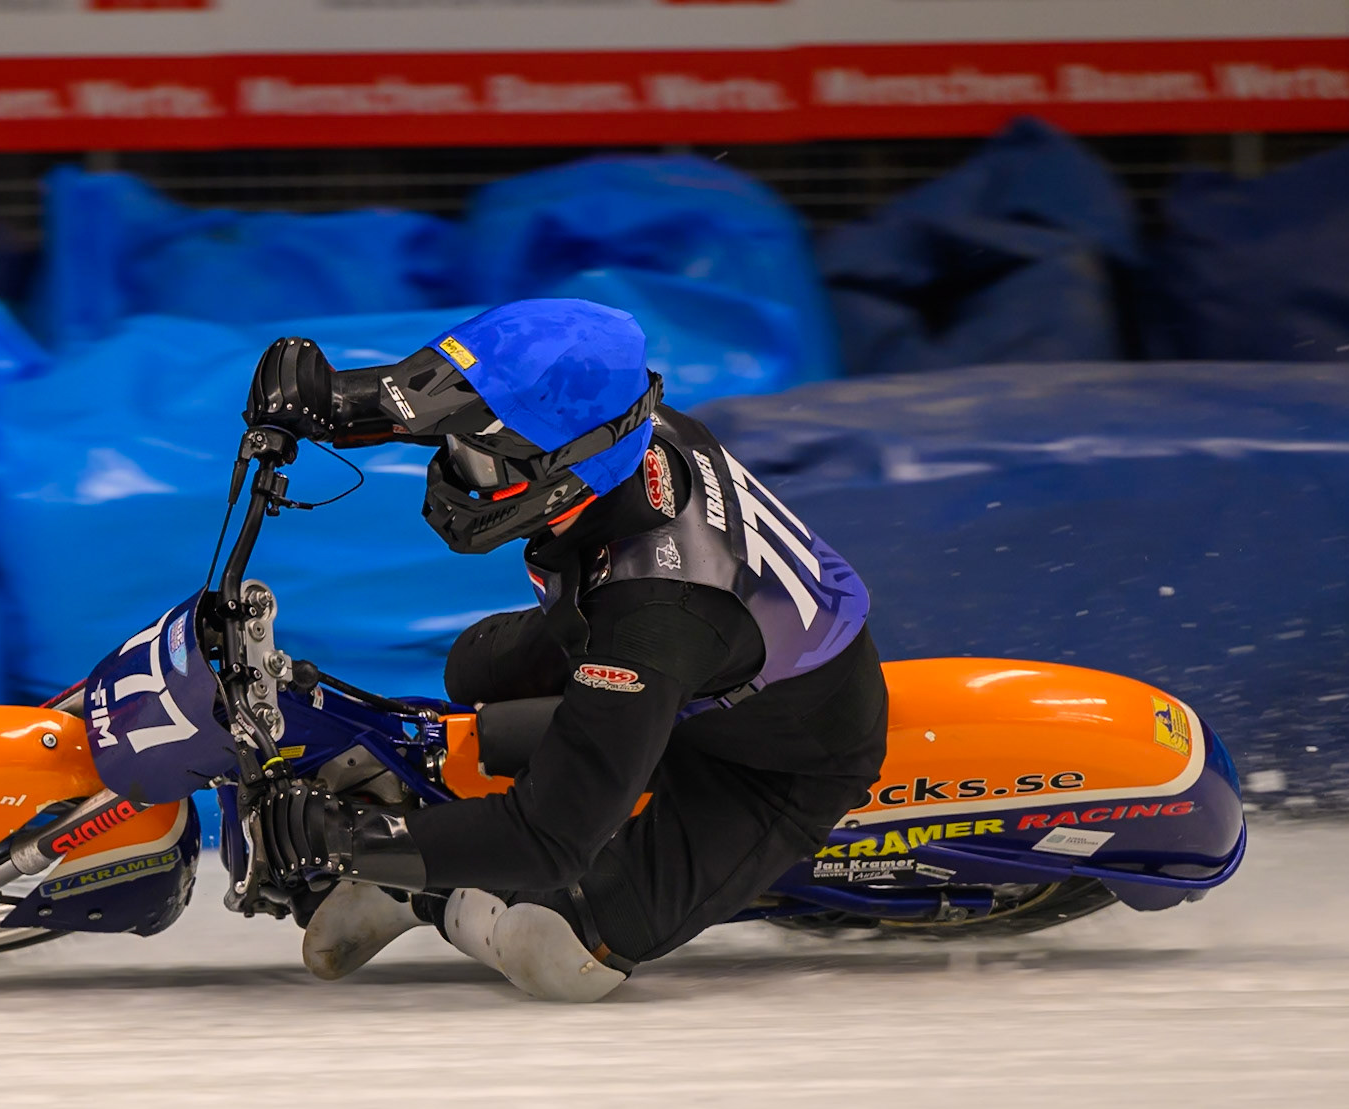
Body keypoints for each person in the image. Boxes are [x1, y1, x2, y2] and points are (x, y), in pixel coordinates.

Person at [244, 299, 887, 1001]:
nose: (456, 472)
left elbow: (551, 839)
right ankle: (434, 845)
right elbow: (457, 398)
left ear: (565, 468)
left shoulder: (651, 618)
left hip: (771, 762)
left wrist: (347, 841)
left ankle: (422, 894)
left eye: (480, 462)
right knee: (473, 666)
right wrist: (332, 399)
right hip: (671, 639)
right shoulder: (621, 426)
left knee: (552, 953)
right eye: (454, 446)